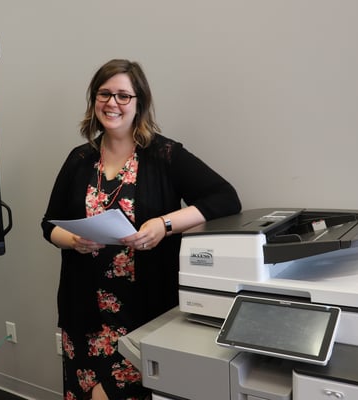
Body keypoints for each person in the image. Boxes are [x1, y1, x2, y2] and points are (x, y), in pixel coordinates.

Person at [41, 59, 241, 400]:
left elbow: (225, 198)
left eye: (123, 95)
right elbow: (49, 224)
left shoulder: (164, 155)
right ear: (93, 101)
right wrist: (73, 241)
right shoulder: (80, 159)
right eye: (104, 94)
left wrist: (164, 225)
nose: (112, 103)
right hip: (84, 310)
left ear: (139, 103)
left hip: (144, 311)